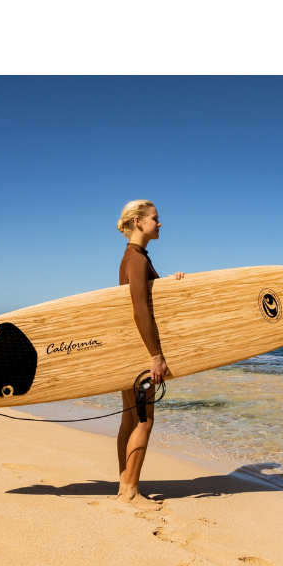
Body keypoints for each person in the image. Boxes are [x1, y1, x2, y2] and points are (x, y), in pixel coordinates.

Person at [116, 199, 185, 510]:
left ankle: (124, 487)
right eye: (155, 219)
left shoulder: (134, 258)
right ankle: (131, 493)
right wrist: (155, 356)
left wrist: (169, 285)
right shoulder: (137, 259)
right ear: (138, 222)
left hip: (128, 354)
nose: (160, 224)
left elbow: (150, 299)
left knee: (130, 420)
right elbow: (140, 310)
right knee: (144, 421)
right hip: (142, 355)